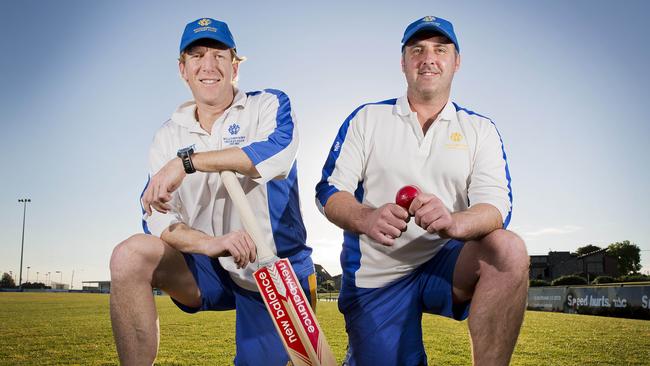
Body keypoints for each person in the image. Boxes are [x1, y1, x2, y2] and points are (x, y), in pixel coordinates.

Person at [315, 15, 529, 365]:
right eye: (417, 50)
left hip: (445, 263)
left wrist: (454, 223)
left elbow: (496, 207)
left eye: (440, 49)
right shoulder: (368, 118)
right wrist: (367, 217)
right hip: (378, 274)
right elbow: (329, 192)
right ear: (403, 62)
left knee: (509, 249)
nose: (428, 58)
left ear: (456, 61)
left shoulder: (480, 129)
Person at [110, 17, 315, 366]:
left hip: (271, 269)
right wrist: (209, 244)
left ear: (235, 66)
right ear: (183, 69)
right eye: (197, 55)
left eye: (220, 55)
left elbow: (276, 155)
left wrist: (187, 163)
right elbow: (157, 217)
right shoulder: (168, 134)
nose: (209, 65)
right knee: (129, 256)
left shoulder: (266, 104)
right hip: (205, 266)